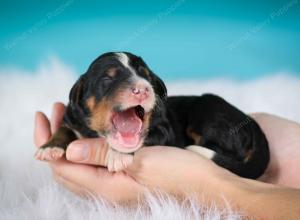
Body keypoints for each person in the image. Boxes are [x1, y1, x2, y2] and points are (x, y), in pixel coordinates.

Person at [34, 102, 300, 219]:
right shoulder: (89, 117)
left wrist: (210, 186)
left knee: (205, 118)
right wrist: (60, 141)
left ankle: (220, 153)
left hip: (219, 127)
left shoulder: (152, 121)